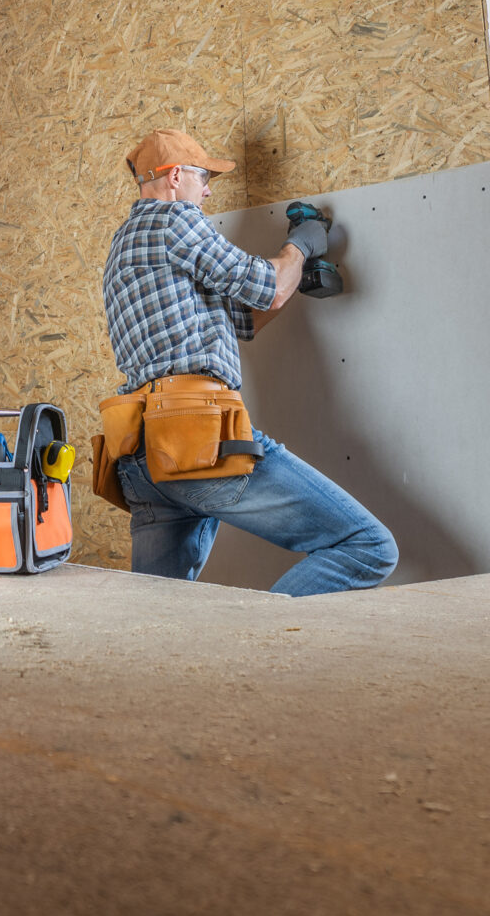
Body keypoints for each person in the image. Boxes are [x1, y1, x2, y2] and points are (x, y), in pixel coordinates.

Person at [99, 128, 396, 595]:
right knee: (368, 545)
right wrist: (298, 247)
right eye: (204, 178)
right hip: (199, 439)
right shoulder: (175, 219)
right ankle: (260, 645)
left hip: (145, 456)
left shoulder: (123, 246)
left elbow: (246, 318)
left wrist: (296, 278)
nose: (209, 190)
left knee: (158, 609)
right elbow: (266, 285)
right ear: (176, 176)